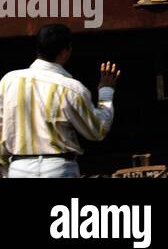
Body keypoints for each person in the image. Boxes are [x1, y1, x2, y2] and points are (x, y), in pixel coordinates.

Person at [0, 25, 120, 178]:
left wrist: (4, 169)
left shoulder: (8, 81)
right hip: (58, 168)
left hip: (19, 168)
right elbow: (97, 131)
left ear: (38, 48)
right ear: (66, 51)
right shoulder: (72, 89)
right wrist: (106, 91)